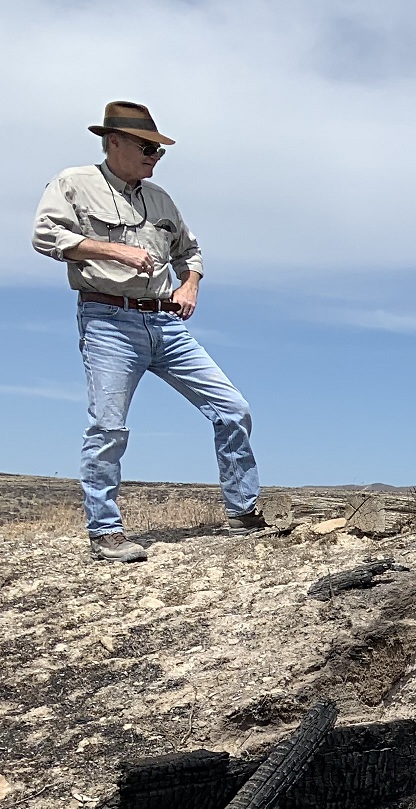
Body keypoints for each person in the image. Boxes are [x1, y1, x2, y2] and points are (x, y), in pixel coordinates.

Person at [31, 101, 266, 565]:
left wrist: (190, 285)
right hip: (108, 320)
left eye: (159, 151)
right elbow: (44, 236)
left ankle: (243, 512)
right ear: (113, 141)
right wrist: (112, 251)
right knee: (108, 426)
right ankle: (106, 532)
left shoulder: (160, 198)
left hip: (166, 322)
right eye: (147, 148)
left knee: (232, 408)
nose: (154, 158)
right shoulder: (73, 183)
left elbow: (190, 249)